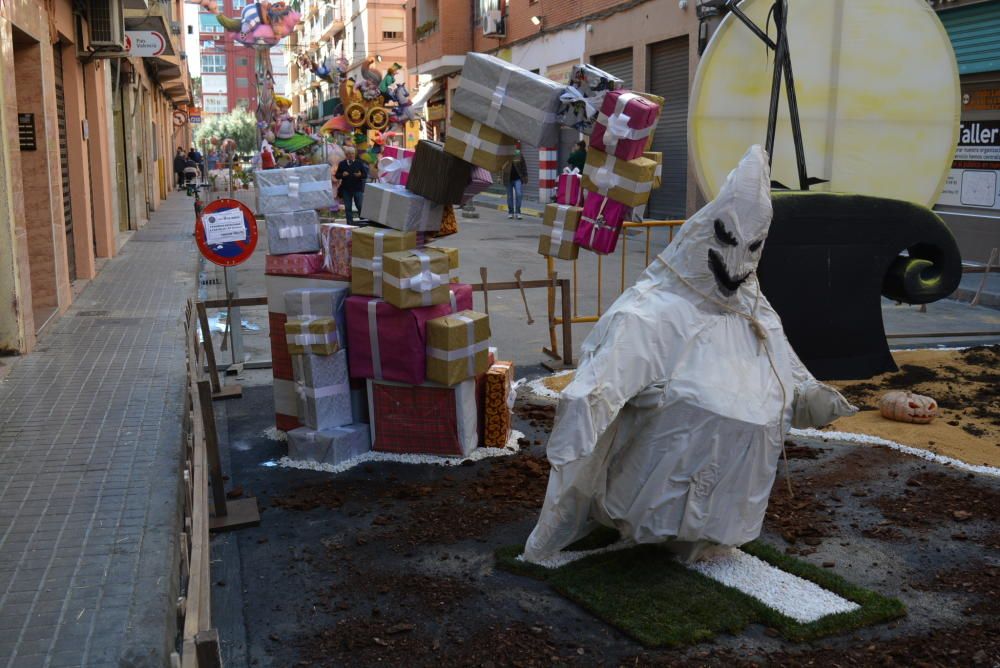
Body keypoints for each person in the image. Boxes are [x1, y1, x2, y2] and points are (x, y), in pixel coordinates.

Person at [335, 145, 369, 226]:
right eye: (349, 153)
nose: (351, 155)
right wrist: (342, 174)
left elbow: (365, 175)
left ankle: (363, 222)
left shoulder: (359, 163)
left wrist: (360, 175)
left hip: (357, 188)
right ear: (346, 155)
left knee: (360, 206)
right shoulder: (342, 163)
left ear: (355, 154)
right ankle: (350, 224)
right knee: (348, 208)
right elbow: (337, 175)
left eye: (353, 153)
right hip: (346, 189)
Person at [502, 147, 528, 220]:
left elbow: (524, 166)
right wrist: (499, 177)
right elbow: (501, 167)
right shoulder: (505, 155)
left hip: (518, 179)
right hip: (508, 179)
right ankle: (510, 212)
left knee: (519, 194)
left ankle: (518, 212)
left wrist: (525, 176)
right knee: (510, 196)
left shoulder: (518, 154)